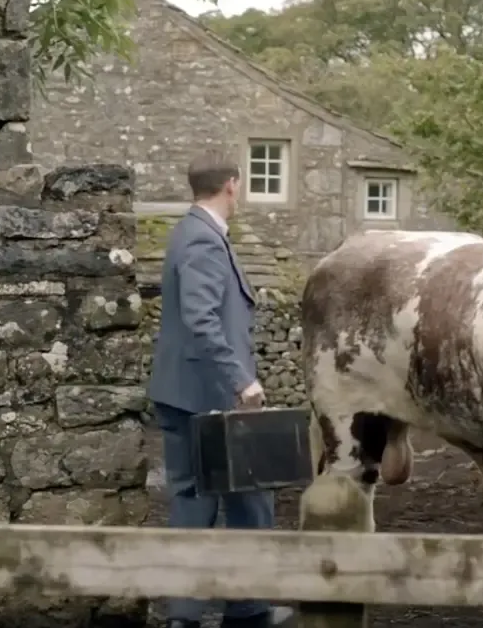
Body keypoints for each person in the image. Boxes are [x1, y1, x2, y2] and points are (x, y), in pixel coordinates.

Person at [147, 150, 295, 628]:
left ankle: (189, 616)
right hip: (210, 397)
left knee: (199, 503)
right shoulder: (204, 242)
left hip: (189, 393)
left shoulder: (191, 232)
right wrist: (243, 380)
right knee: (248, 500)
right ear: (232, 185)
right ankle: (245, 612)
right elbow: (201, 318)